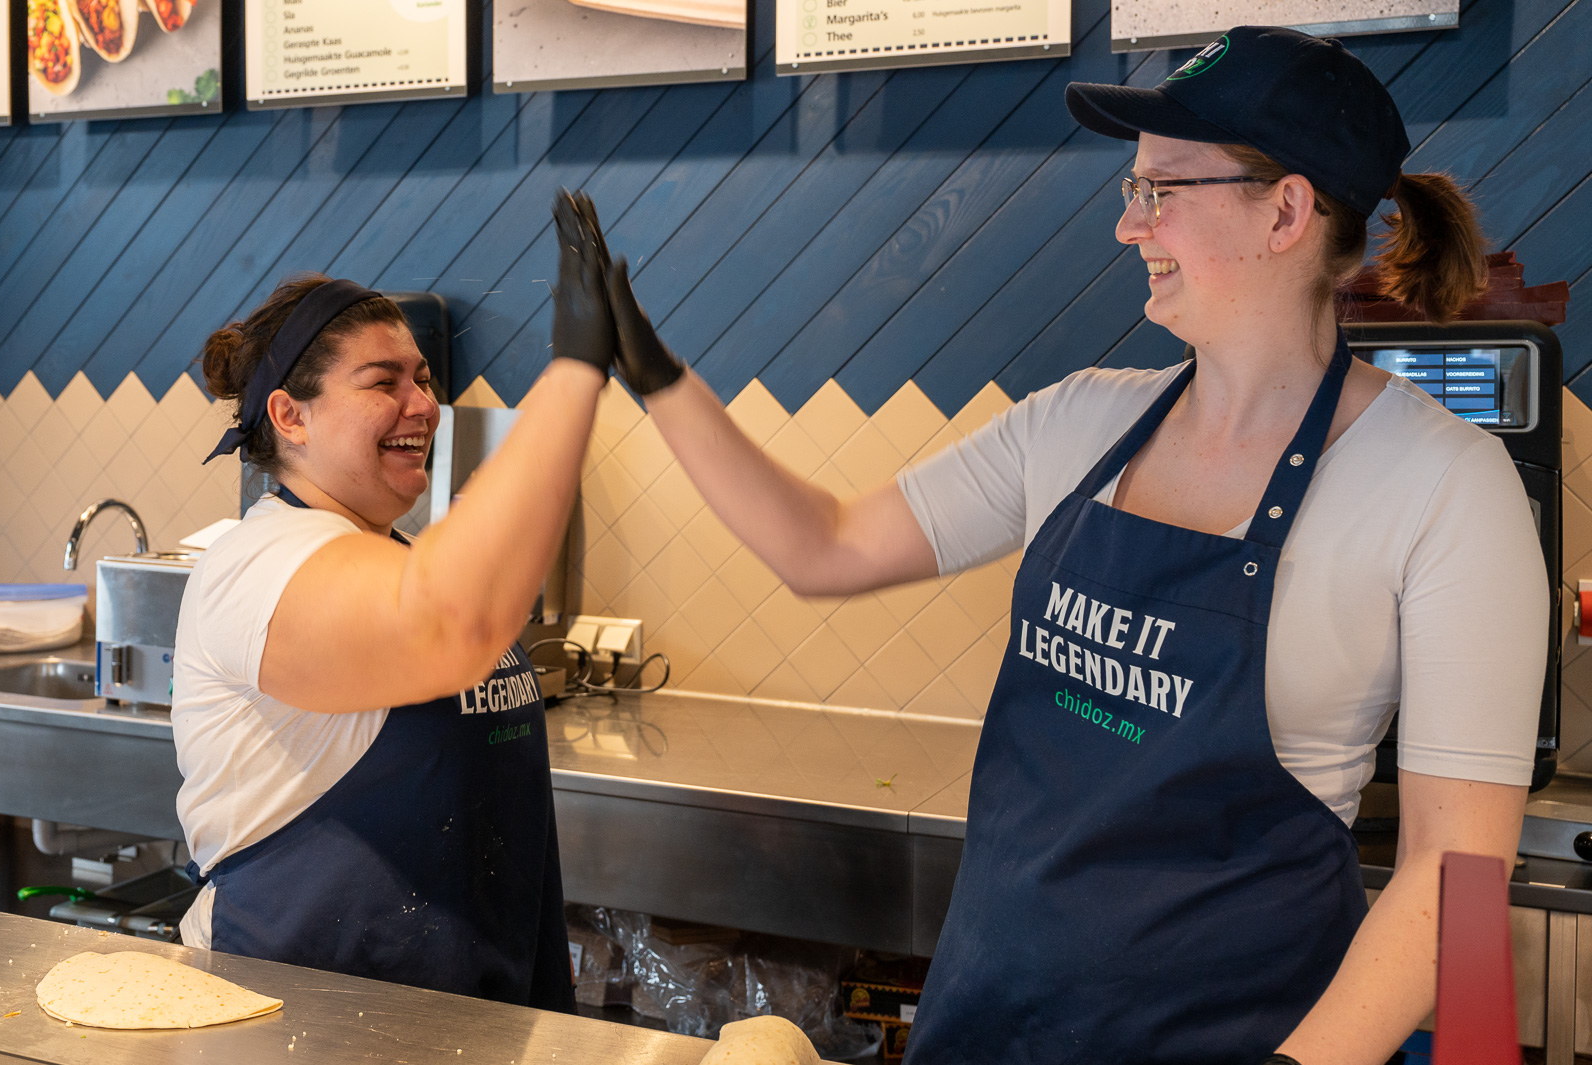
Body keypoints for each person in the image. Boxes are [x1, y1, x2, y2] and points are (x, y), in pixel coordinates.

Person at [567, 26, 1547, 1064]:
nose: (1129, 227)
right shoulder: (1075, 422)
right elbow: (826, 546)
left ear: (1286, 212)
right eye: (1132, 190)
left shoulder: (1442, 487)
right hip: (990, 1026)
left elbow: (1457, 876)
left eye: (1161, 191)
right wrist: (655, 373)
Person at [170, 191, 617, 1008]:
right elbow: (445, 622)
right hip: (296, 1021)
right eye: (385, 382)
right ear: (289, 415)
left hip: (457, 1018)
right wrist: (575, 374)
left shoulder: (398, 557)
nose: (424, 405)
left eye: (424, 378)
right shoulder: (259, 564)